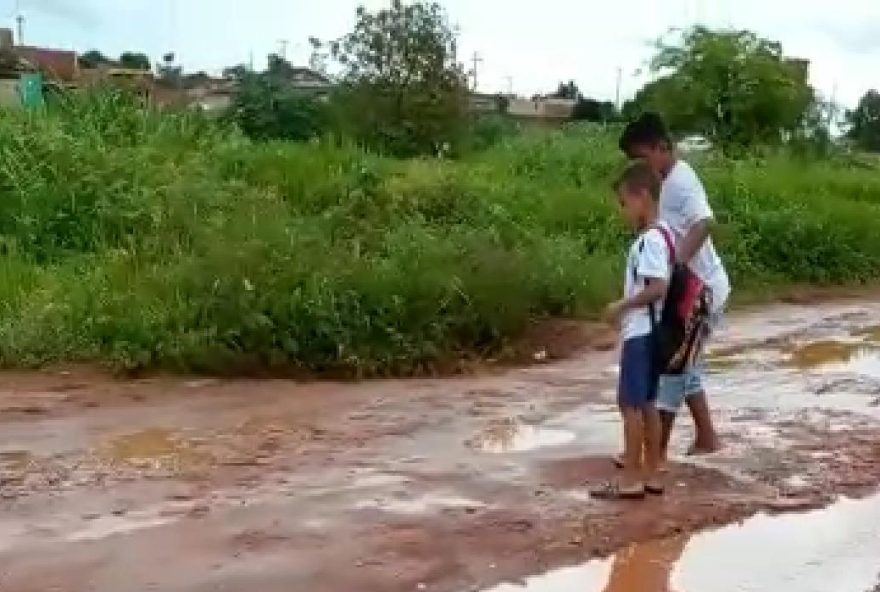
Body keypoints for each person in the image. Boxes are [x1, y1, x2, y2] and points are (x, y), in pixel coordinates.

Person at [618, 113, 731, 466]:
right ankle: (707, 437)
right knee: (685, 365)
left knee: (672, 368)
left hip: (699, 293)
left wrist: (673, 265)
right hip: (687, 291)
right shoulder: (664, 181)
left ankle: (655, 454)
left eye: (642, 157)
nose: (641, 165)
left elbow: (705, 223)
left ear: (661, 148)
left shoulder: (681, 180)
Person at [592, 161, 671, 500]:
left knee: (630, 406)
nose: (623, 211)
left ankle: (632, 480)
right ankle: (651, 475)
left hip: (641, 333)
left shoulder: (648, 241)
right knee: (649, 403)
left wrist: (620, 306)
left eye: (624, 203)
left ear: (641, 197)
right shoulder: (666, 234)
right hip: (654, 332)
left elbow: (657, 286)